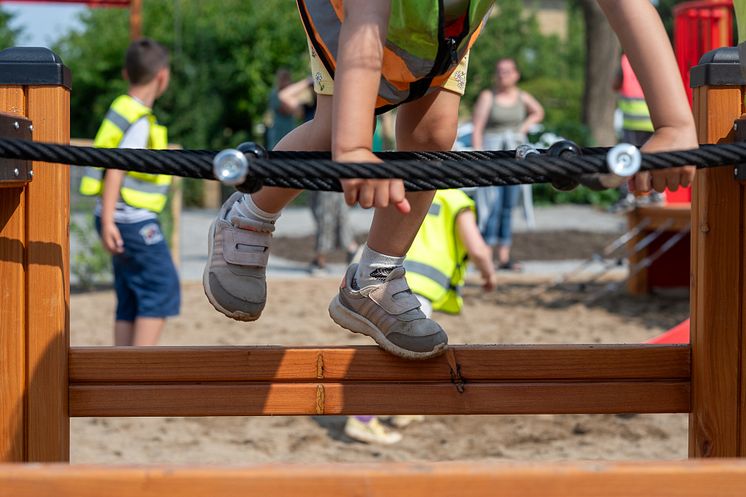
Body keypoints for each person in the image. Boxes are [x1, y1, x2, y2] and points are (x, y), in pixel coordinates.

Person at [203, 1, 697, 361]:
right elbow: (366, 27)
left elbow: (627, 6)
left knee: (433, 132)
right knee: (335, 128)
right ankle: (247, 217)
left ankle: (374, 279)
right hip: (356, 15)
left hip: (441, 20)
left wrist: (674, 123)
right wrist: (355, 149)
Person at [79, 38, 179, 346]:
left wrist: (106, 219)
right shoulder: (138, 119)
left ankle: (121, 366)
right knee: (162, 288)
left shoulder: (120, 110)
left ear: (126, 74)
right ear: (163, 75)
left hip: (117, 217)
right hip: (131, 220)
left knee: (130, 293)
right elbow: (116, 169)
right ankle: (139, 369)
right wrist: (109, 221)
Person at [471, 57, 544, 271]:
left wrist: (524, 127)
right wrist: (478, 157)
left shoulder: (522, 96)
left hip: (515, 156)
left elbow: (538, 112)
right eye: (500, 71)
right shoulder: (488, 96)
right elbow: (477, 128)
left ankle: (504, 257)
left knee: (508, 206)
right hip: (494, 156)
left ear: (516, 74)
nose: (503, 75)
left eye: (507, 71)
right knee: (490, 205)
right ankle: (486, 255)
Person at [609, 53, 663, 213]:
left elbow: (615, 85)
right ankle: (656, 193)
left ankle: (627, 196)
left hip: (632, 121)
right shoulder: (655, 59)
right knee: (653, 157)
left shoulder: (626, 61)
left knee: (627, 159)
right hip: (651, 120)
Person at [265, 69, 296, 149]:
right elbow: (285, 110)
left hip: (289, 127)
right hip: (278, 128)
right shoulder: (275, 93)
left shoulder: (291, 93)